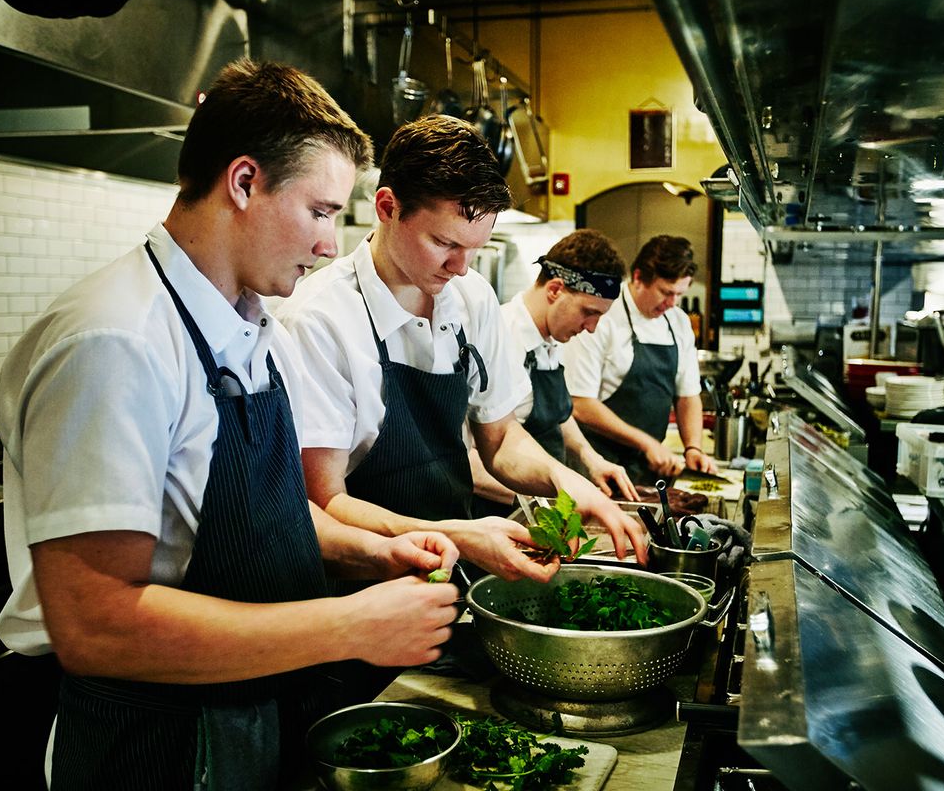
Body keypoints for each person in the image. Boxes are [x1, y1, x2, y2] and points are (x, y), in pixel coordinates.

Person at [0, 60, 460, 789]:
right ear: (244, 182)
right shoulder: (115, 341)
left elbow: (261, 519)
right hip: (158, 746)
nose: (330, 245)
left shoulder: (246, 324)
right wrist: (352, 625)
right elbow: (96, 625)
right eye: (321, 211)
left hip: (252, 714)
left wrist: (379, 553)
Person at [279, 115, 649, 582]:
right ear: (388, 207)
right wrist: (454, 536)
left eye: (475, 248)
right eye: (444, 242)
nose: (460, 267)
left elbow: (499, 437)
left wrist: (564, 481)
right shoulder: (320, 321)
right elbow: (324, 502)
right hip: (361, 585)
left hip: (452, 568)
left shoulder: (473, 298)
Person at [470, 229, 640, 514]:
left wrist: (591, 458)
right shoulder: (498, 339)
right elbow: (470, 458)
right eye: (589, 312)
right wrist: (551, 500)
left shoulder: (550, 338)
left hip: (544, 503)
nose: (591, 328)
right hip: (498, 512)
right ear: (555, 290)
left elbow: (557, 417)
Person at [565, 234, 718, 483]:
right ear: (638, 277)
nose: (672, 303)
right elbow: (580, 403)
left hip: (650, 466)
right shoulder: (601, 316)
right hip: (598, 463)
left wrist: (693, 448)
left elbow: (688, 395)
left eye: (679, 294)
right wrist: (646, 442)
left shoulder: (678, 322)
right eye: (666, 292)